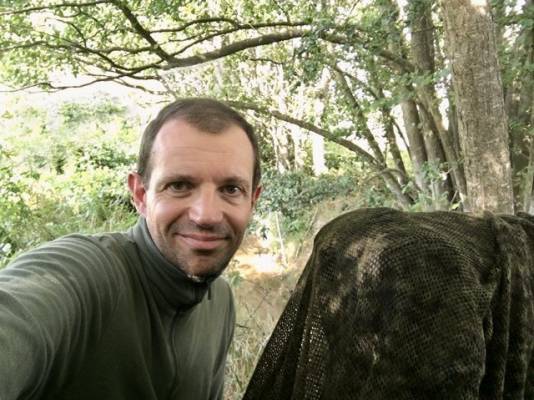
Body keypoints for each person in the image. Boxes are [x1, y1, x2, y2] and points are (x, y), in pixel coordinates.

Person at [0, 98, 262, 400]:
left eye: (231, 189)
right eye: (179, 185)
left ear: (252, 199)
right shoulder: (90, 275)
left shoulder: (220, 301)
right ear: (140, 194)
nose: (206, 215)